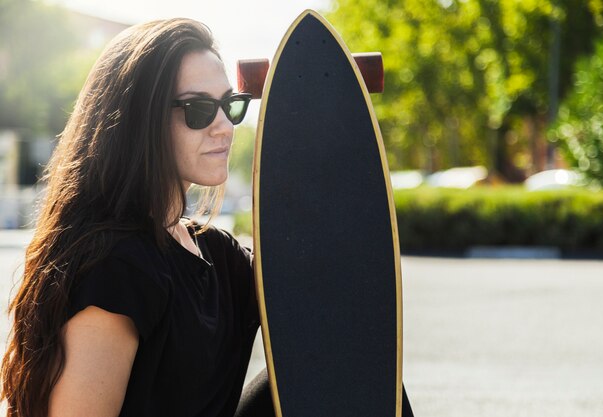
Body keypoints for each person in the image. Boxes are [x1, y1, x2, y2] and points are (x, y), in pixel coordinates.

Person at [1, 17, 414, 417]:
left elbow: (323, 296)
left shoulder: (218, 256)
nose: (223, 127)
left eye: (230, 106)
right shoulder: (115, 269)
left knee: (353, 370)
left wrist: (318, 101)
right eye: (199, 109)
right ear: (138, 120)